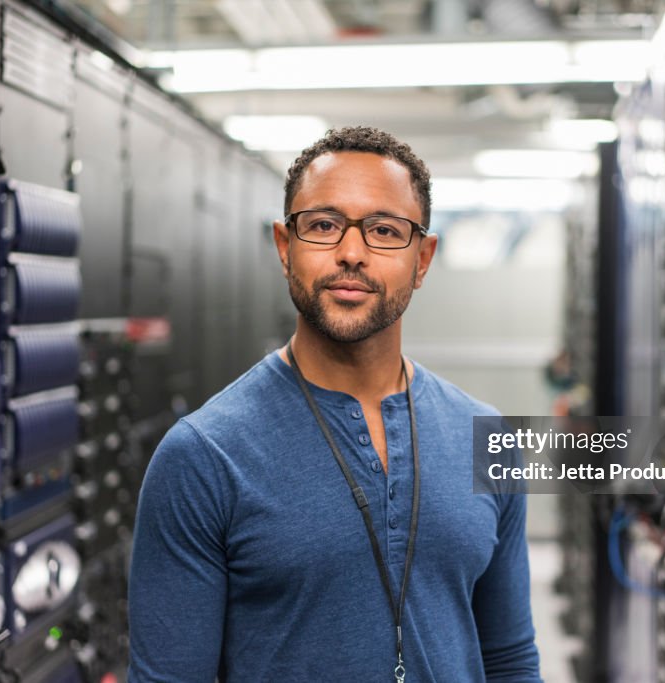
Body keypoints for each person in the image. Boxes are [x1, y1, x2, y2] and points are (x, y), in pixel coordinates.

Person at [128, 126, 541, 682]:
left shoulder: (486, 437)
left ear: (423, 259)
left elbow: (510, 660)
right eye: (323, 226)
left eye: (384, 231)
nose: (351, 253)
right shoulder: (203, 457)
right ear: (285, 247)